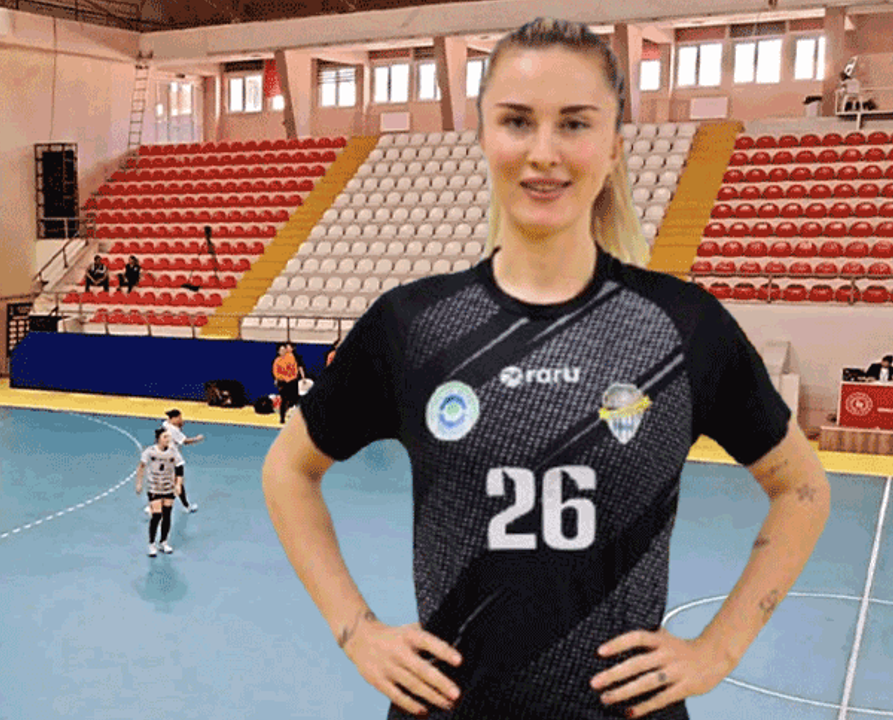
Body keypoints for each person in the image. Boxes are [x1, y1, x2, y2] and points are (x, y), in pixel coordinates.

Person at [262, 18, 830, 720]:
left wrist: (720, 648)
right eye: (517, 121)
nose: (543, 153)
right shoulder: (412, 326)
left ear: (614, 146)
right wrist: (356, 630)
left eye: (574, 124)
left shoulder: (681, 326)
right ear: (482, 136)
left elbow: (803, 488)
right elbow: (288, 469)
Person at [143, 409, 204, 516]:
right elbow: (185, 441)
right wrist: (197, 439)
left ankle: (152, 506)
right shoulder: (173, 430)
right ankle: (186, 506)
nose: (181, 419)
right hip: (174, 461)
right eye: (179, 418)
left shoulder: (165, 424)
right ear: (174, 418)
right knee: (177, 484)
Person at [135, 428, 184, 557]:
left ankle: (163, 542)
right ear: (158, 439)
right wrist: (139, 483)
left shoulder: (173, 452)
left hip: (168, 487)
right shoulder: (150, 452)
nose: (168, 439)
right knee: (157, 515)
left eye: (169, 437)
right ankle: (151, 544)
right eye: (165, 437)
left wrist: (178, 484)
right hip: (154, 487)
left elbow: (179, 469)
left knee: (167, 514)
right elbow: (141, 467)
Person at [272, 343, 303, 425]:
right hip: (283, 383)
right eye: (281, 350)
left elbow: (295, 369)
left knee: (295, 399)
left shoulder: (291, 357)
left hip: (292, 381)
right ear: (278, 352)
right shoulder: (277, 361)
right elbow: (276, 372)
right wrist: (283, 378)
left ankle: (298, 418)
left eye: (284, 350)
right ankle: (282, 418)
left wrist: (292, 378)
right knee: (284, 400)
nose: (283, 351)